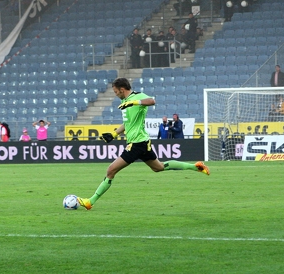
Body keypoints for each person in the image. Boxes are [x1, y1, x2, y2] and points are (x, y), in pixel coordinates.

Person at [76, 78, 209, 211]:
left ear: (122, 90)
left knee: (111, 170)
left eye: (116, 92)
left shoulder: (137, 97)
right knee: (158, 167)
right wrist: (114, 134)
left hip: (137, 144)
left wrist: (134, 102)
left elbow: (152, 101)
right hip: (142, 142)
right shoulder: (124, 102)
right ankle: (195, 167)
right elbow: (128, 123)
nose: (115, 94)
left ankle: (90, 201)